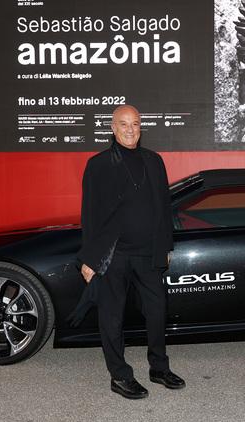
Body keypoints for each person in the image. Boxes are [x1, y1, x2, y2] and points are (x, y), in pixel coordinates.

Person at [75, 104, 185, 399]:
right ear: (113, 128)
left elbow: (163, 207)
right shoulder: (98, 164)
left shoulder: (154, 160)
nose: (130, 129)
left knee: (157, 311)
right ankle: (120, 376)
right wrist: (90, 257)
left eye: (135, 124)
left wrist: (165, 246)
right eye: (123, 124)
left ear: (140, 127)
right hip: (114, 255)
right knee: (112, 316)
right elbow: (90, 214)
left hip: (148, 253)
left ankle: (159, 368)